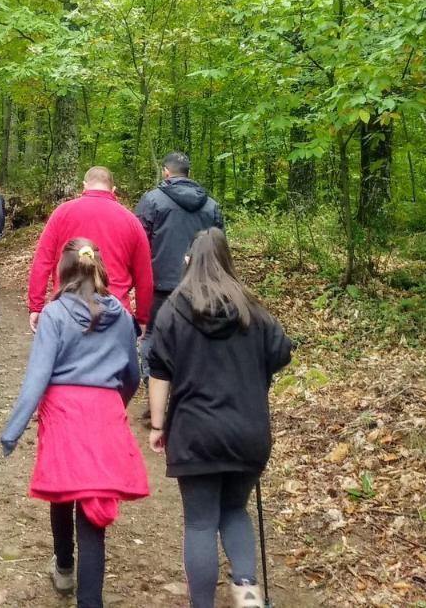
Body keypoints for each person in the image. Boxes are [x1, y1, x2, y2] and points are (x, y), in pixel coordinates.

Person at [148, 228, 292, 608]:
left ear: (189, 262)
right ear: (229, 262)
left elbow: (159, 371)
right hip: (248, 430)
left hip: (195, 431)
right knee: (234, 510)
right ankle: (247, 593)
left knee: (199, 522)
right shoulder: (254, 311)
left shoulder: (173, 310)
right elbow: (280, 354)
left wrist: (159, 425)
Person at [2, 239, 148, 608]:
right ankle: (90, 601)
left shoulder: (54, 314)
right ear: (98, 268)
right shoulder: (122, 317)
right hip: (104, 412)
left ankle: (64, 567)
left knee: (62, 491)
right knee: (93, 510)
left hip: (64, 414)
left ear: (63, 272)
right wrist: (116, 403)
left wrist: (12, 431)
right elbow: (132, 375)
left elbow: (37, 378)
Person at [27, 167, 154, 334]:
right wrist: (143, 318)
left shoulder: (62, 213)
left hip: (66, 309)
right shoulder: (131, 221)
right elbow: (145, 277)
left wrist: (36, 305)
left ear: (84, 186)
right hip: (114, 313)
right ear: (113, 189)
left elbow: (42, 261)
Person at [135, 151, 225, 379]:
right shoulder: (211, 205)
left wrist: (136, 278)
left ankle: (155, 389)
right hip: (201, 284)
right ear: (188, 173)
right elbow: (220, 246)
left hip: (160, 284)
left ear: (166, 171)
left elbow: (139, 242)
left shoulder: (152, 200)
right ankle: (188, 389)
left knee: (153, 336)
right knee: (195, 337)